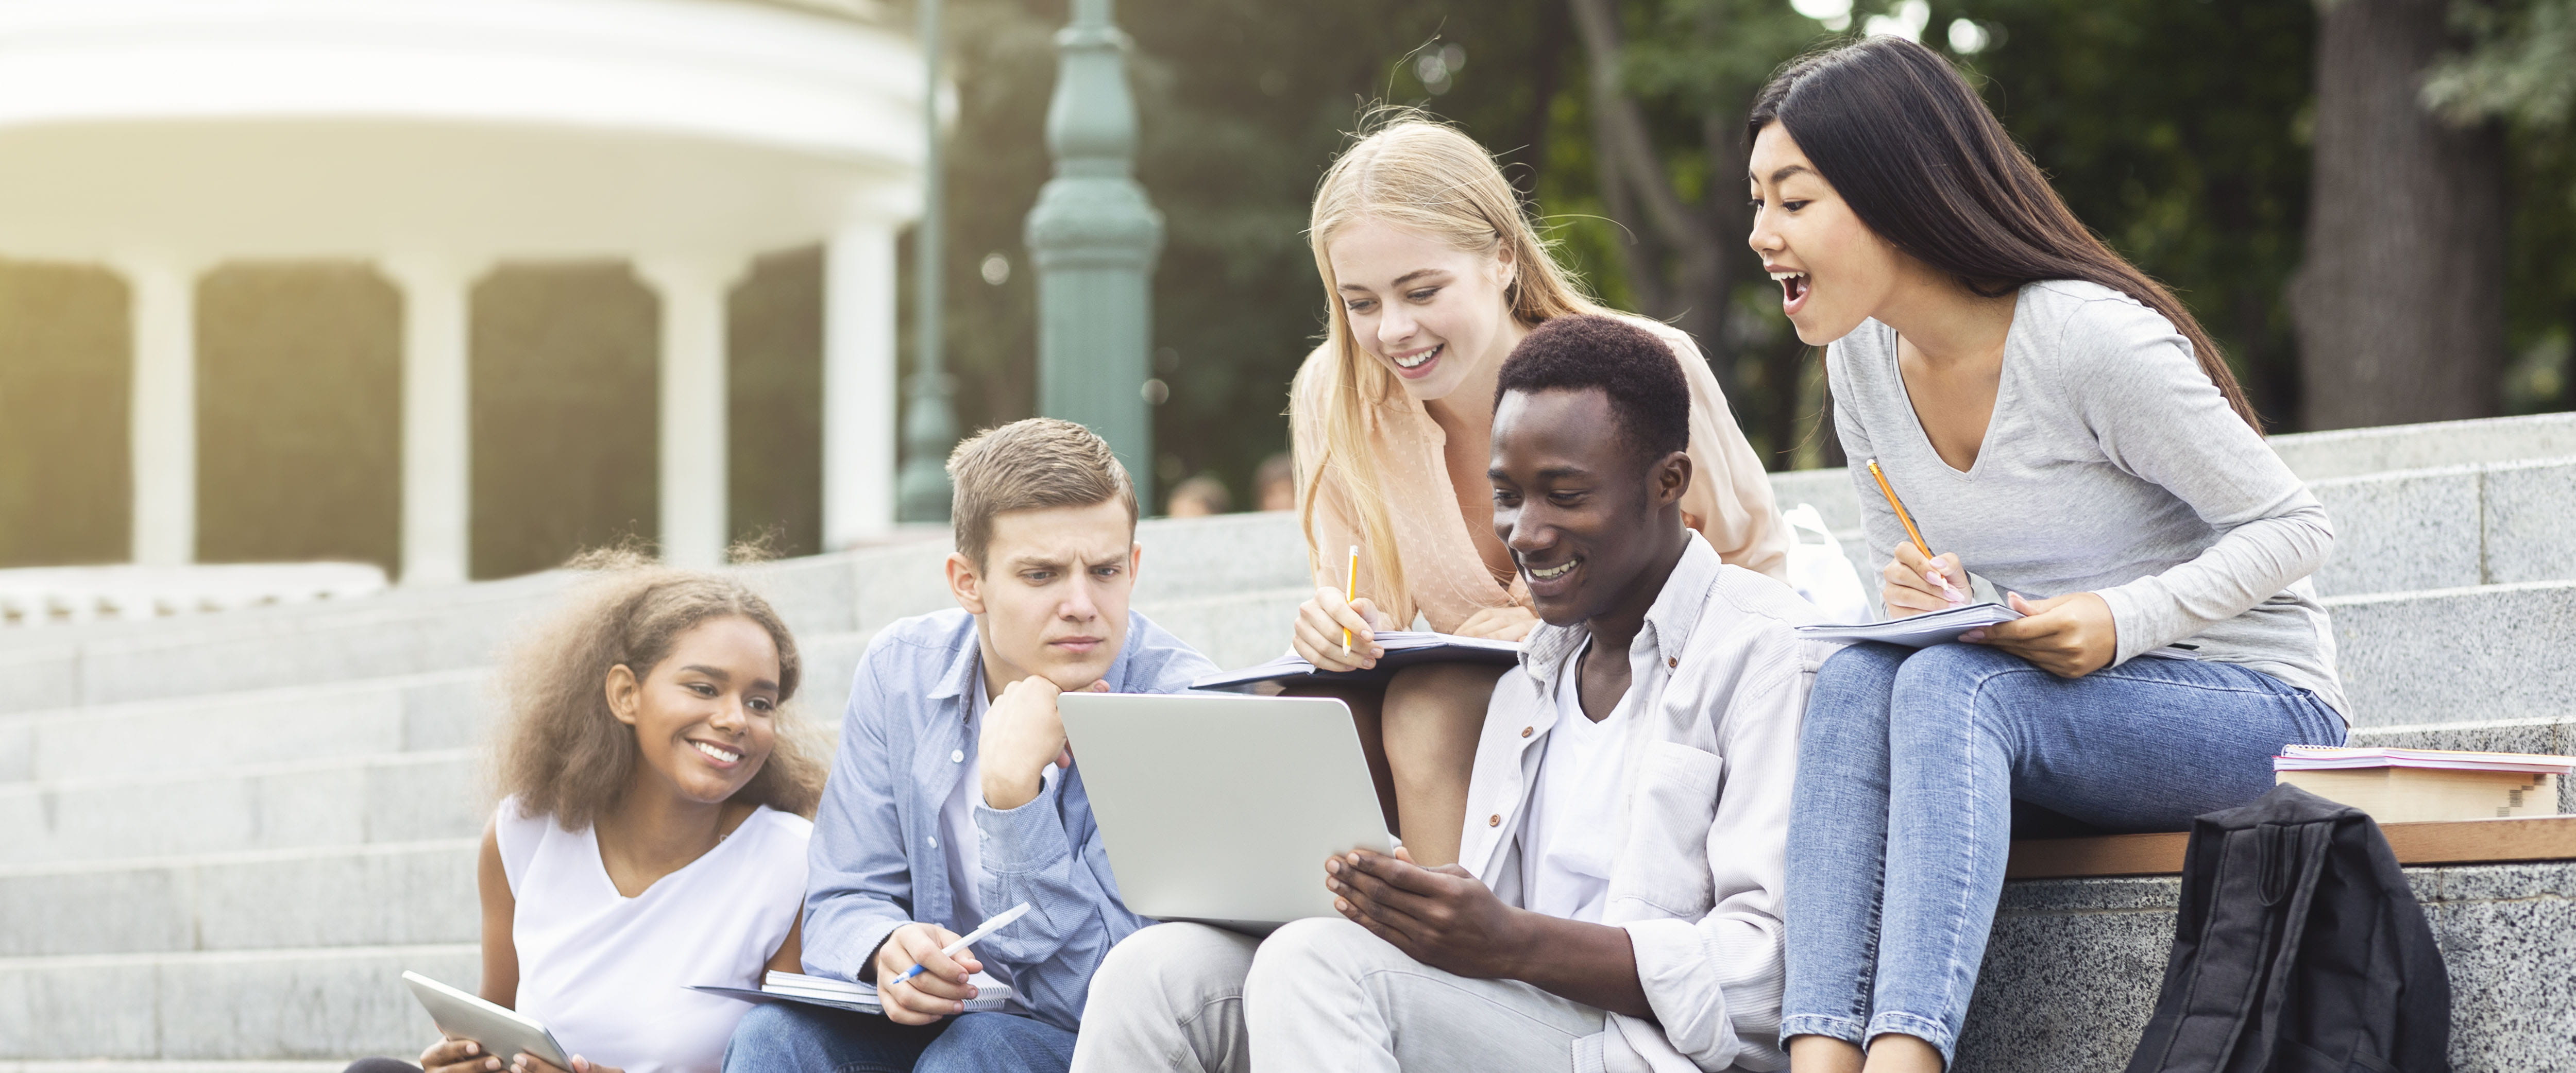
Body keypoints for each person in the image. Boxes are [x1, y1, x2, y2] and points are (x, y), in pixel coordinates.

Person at [1745, 38, 2350, 1073]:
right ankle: (1819, 1061)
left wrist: (2119, 621)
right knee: (1855, 679)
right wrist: (1935, 595)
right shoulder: (1859, 359)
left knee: (1948, 689)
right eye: (1755, 202)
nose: (1760, 236)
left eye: (1791, 202)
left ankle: (1903, 1062)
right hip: (2047, 709)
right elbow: (1906, 571)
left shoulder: (2087, 342)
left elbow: (2297, 528)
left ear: (1896, 192)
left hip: (2252, 703)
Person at [1071, 314, 1827, 1072]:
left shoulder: (1766, 649)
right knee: (1155, 972)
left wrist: (1515, 939)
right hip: (1513, 1009)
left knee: (1319, 963)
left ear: (1669, 481)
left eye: (1564, 495)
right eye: (1508, 496)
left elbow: (1768, 980)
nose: (1524, 534)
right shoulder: (1535, 670)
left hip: (1647, 1049)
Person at [1286, 113, 1792, 868]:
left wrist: (1545, 627)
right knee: (1318, 710)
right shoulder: (1337, 397)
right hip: (1478, 700)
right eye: (1361, 303)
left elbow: (1755, 566)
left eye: (1422, 290)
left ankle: (1452, 957)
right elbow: (1373, 609)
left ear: (1501, 259)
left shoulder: (1645, 370)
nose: (1393, 329)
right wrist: (1339, 624)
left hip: (1642, 685)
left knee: (1431, 707)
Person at [721, 418, 1219, 1073]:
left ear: (1133, 566)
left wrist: (1013, 803)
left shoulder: (1182, 706)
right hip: (945, 1027)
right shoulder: (901, 670)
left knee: (977, 1052)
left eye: (1103, 571)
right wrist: (886, 945)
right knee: (773, 1037)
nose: (1080, 604)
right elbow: (844, 894)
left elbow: (1109, 996)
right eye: (1040, 575)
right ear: (967, 582)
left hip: (1095, 1044)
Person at [347, 554, 827, 1073]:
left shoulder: (793, 862)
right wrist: (468, 1061)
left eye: (760, 703)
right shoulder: (522, 833)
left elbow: (784, 1056)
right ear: (625, 694)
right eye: (704, 688)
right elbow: (499, 1022)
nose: (735, 719)